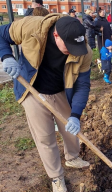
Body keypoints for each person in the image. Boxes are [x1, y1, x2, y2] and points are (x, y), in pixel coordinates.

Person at [0, 15, 92, 192]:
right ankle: (56, 177)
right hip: (33, 90)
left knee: (71, 129)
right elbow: (1, 34)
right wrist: (6, 56)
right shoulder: (31, 27)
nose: (75, 51)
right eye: (70, 46)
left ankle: (72, 158)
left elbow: (83, 84)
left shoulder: (84, 51)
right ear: (56, 35)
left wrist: (75, 115)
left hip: (61, 90)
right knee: (45, 138)